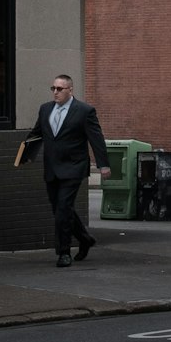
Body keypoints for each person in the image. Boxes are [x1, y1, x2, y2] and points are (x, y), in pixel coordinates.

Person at [27, 73, 111, 267]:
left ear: (70, 90)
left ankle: (63, 252)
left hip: (74, 167)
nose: (55, 93)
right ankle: (85, 239)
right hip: (52, 167)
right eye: (53, 89)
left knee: (64, 208)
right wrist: (25, 154)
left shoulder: (84, 111)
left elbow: (96, 138)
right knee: (60, 210)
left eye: (59, 89)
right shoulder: (45, 109)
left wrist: (103, 165)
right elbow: (37, 133)